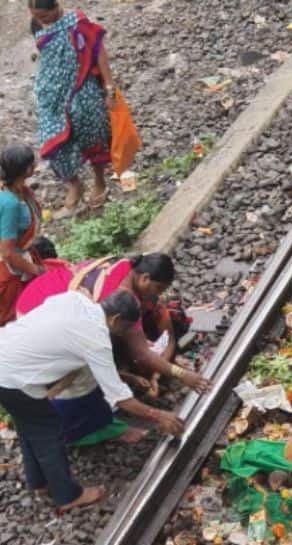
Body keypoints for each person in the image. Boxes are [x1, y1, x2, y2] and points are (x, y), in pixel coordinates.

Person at [0, 290, 185, 513]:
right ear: (115, 320)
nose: (124, 334)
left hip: (5, 353)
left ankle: (38, 482)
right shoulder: (96, 340)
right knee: (48, 432)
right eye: (125, 328)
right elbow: (120, 398)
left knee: (29, 426)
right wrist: (159, 415)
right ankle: (67, 496)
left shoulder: (75, 299)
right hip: (13, 378)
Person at [16, 253, 210, 445]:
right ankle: (81, 431)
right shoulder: (122, 297)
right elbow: (141, 353)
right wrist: (181, 377)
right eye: (158, 289)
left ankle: (96, 415)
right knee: (81, 378)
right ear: (144, 278)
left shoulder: (126, 266)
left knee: (94, 367)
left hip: (38, 300)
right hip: (38, 319)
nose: (157, 295)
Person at [28, 0, 116, 212]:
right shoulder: (37, 24)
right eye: (38, 17)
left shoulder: (77, 22)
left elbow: (98, 52)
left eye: (46, 16)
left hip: (82, 89)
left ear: (56, 5)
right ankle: (74, 183)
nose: (42, 21)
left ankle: (99, 181)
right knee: (51, 142)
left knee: (93, 134)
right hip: (52, 96)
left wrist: (109, 88)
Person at [0, 144, 46, 326]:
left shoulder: (20, 192)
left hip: (23, 255)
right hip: (10, 269)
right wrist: (35, 270)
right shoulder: (10, 203)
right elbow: (8, 252)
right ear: (27, 170)